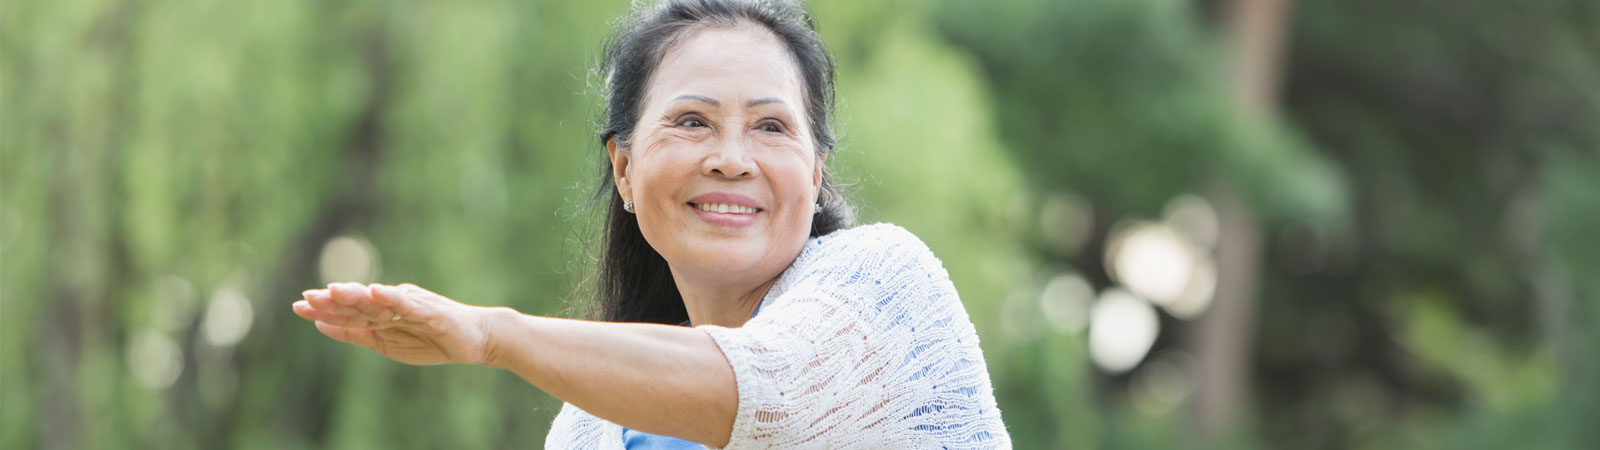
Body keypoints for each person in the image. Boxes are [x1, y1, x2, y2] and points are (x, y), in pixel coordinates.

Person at [290, 0, 1010, 448]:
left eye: (770, 127)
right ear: (625, 170)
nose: (731, 159)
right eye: (692, 121)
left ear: (815, 172)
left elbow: (765, 395)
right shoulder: (585, 430)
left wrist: (495, 335)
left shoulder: (888, 288)